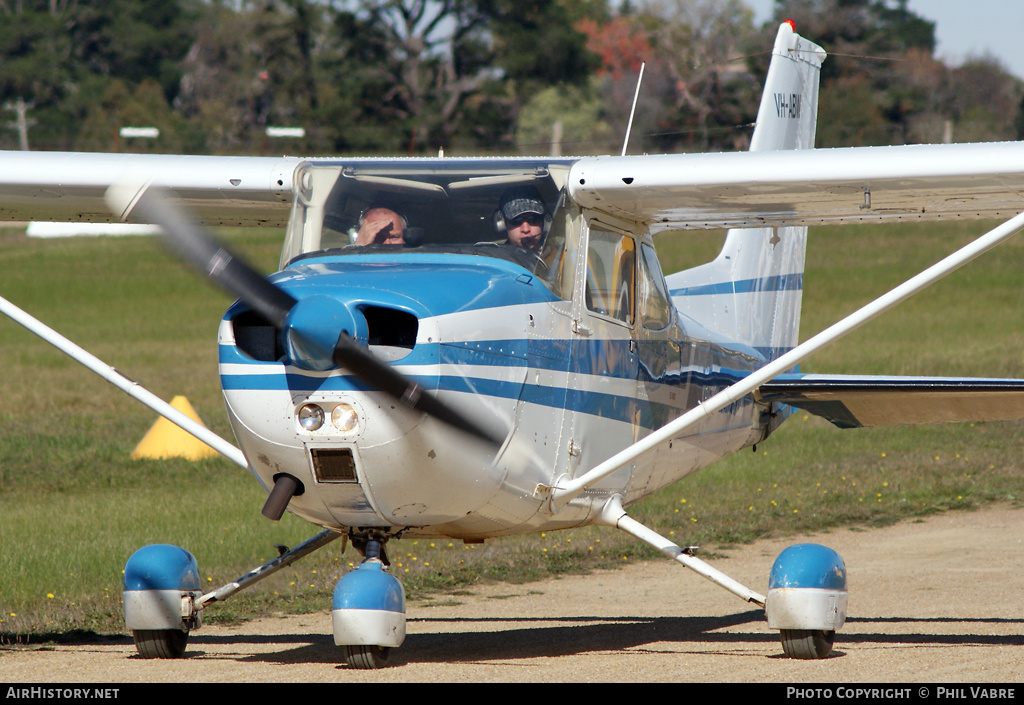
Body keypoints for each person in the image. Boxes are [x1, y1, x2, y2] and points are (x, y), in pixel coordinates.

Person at [496, 187, 547, 253]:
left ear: (544, 222)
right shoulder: (496, 261)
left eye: (533, 219)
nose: (526, 229)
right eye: (516, 221)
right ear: (503, 223)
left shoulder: (560, 256)